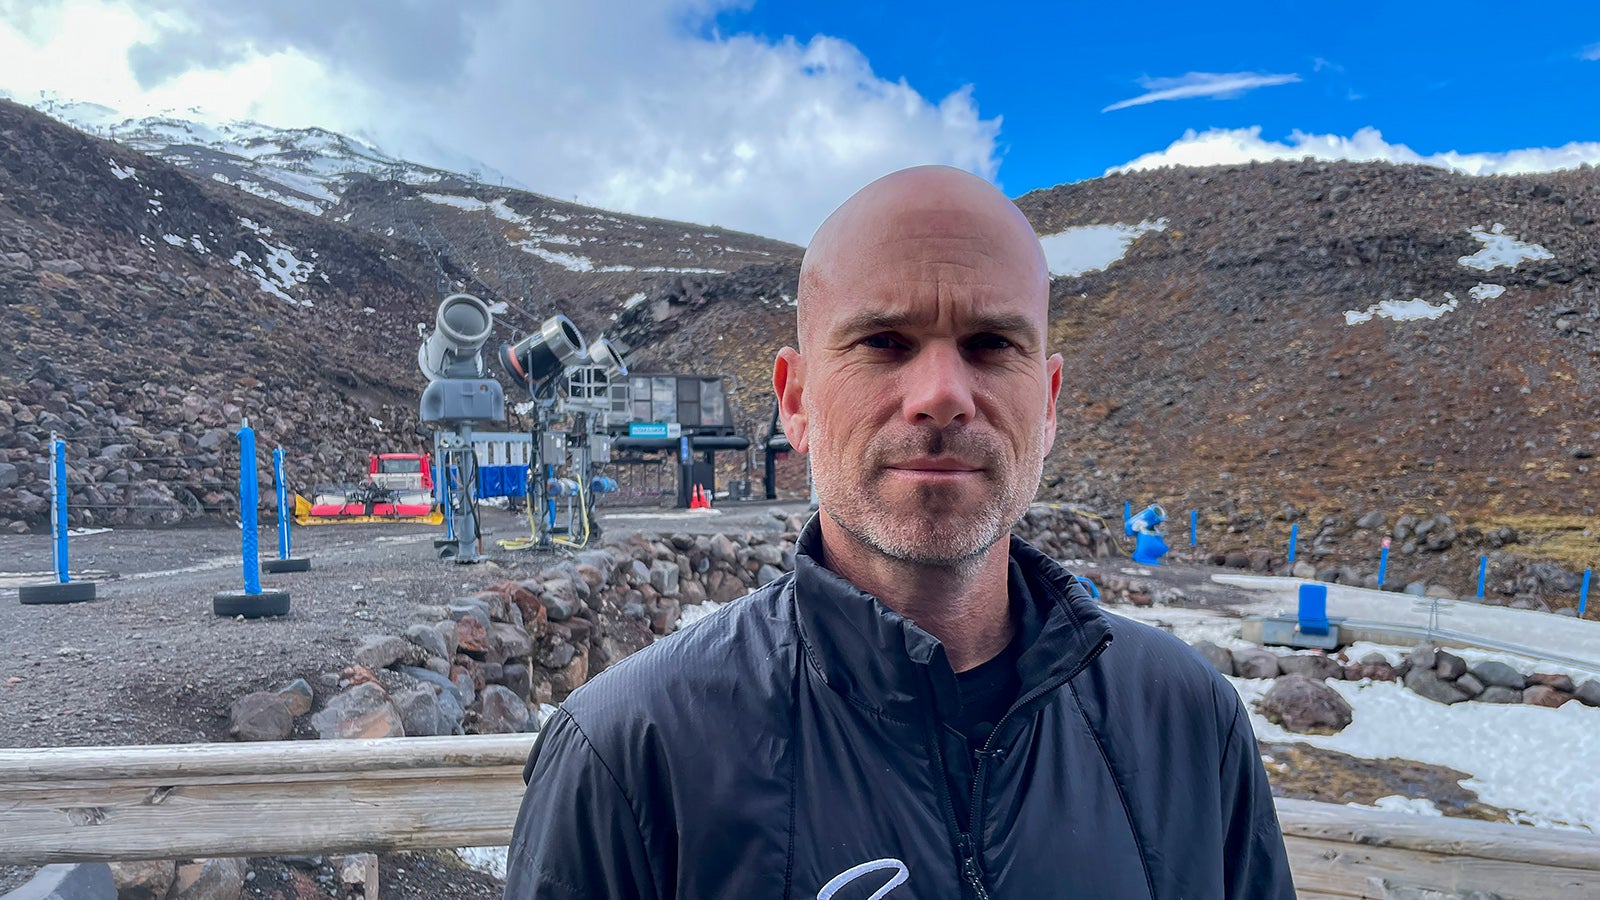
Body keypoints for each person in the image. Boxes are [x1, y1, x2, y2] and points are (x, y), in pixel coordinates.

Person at [504, 166, 1296, 899]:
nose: (943, 394)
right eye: (884, 342)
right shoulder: (628, 759)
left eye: (992, 344)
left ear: (1049, 402)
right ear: (796, 400)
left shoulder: (1189, 722)